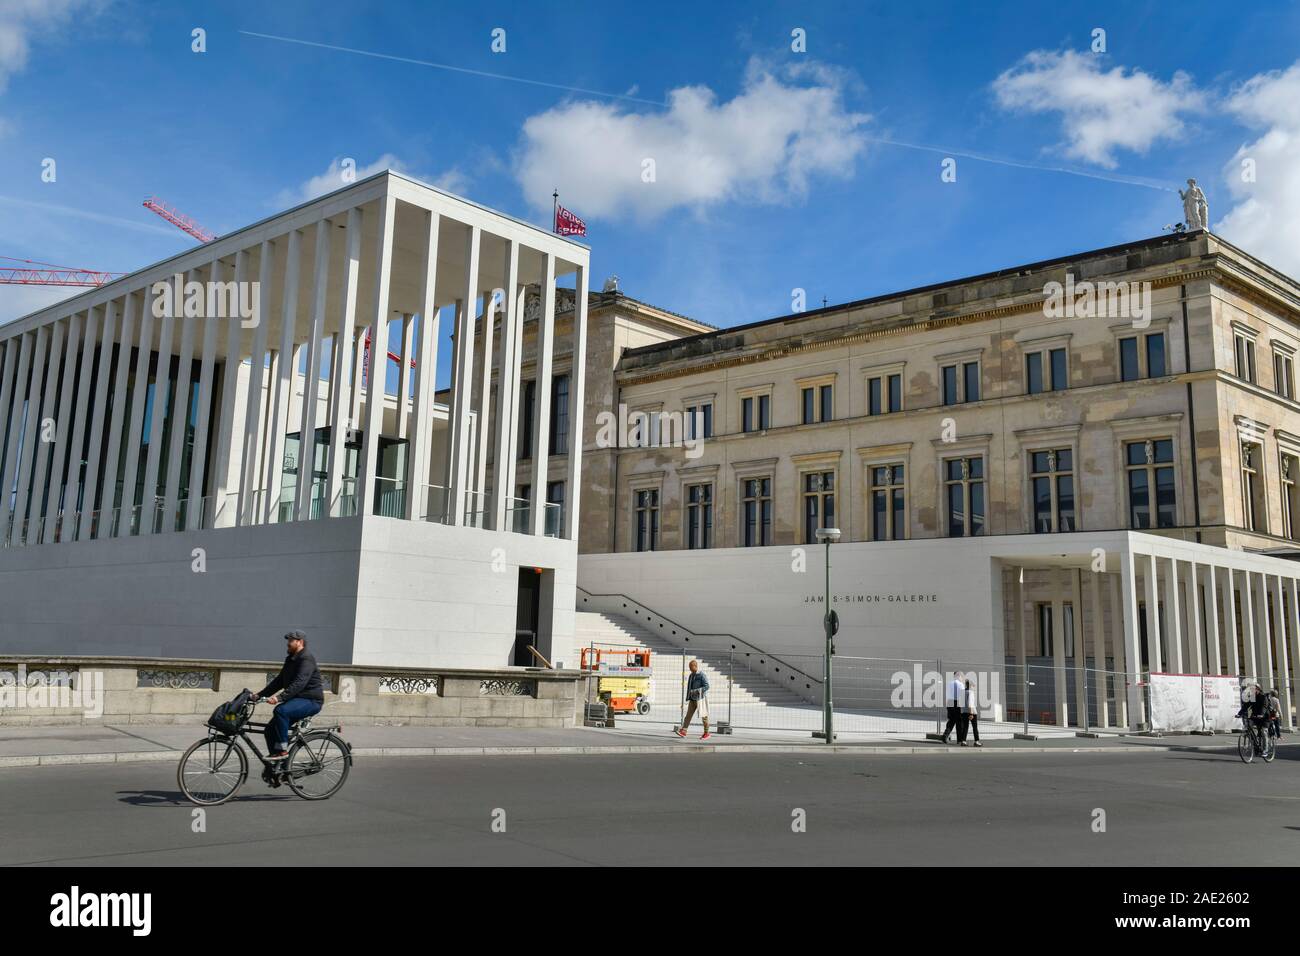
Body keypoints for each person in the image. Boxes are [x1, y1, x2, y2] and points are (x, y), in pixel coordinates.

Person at [251, 630, 324, 761]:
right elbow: (279, 681)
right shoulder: (291, 659)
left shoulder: (306, 658)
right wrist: (259, 695)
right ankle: (278, 765)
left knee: (281, 711)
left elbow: (300, 683)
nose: (288, 644)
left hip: (311, 700)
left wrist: (279, 698)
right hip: (297, 699)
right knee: (269, 731)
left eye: (291, 641)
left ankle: (283, 751)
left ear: (300, 642)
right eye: (288, 641)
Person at [676, 660, 711, 740]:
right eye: (689, 667)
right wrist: (688, 696)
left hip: (700, 699)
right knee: (688, 715)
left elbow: (707, 686)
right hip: (692, 699)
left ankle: (706, 733)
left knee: (704, 716)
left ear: (695, 666)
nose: (690, 669)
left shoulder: (702, 675)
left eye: (690, 667)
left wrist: (697, 691)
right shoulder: (691, 675)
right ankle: (684, 731)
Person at [941, 671, 967, 744]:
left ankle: (945, 736)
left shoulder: (949, 683)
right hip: (957, 703)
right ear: (958, 676)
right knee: (959, 722)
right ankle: (960, 740)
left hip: (949, 702)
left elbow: (947, 693)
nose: (962, 678)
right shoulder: (961, 684)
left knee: (951, 721)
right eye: (961, 676)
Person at [964, 677, 982, 747]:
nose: (974, 687)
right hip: (971, 712)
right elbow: (970, 703)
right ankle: (976, 741)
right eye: (973, 685)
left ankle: (963, 741)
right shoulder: (970, 692)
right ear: (971, 685)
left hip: (964, 712)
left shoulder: (963, 692)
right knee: (975, 727)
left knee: (965, 727)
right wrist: (971, 713)